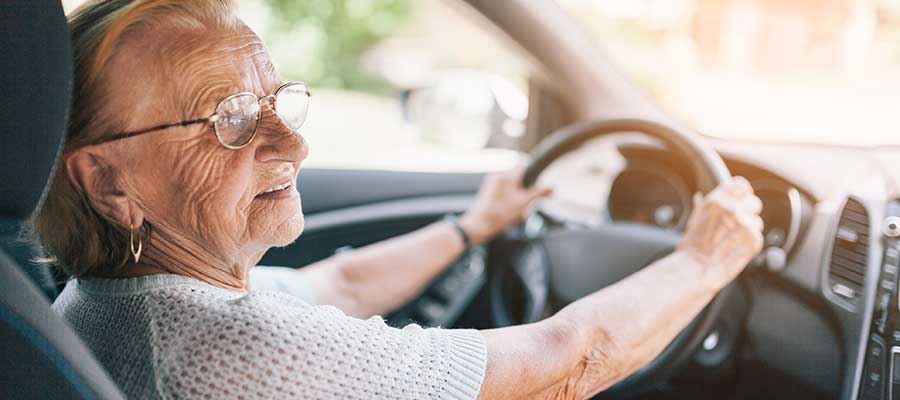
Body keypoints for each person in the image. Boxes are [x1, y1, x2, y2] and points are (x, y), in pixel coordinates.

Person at [35, 1, 764, 399]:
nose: (292, 145)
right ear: (107, 183)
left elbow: (339, 283)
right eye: (226, 118)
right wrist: (704, 259)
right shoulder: (225, 348)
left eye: (278, 102)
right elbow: (564, 362)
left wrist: (473, 226)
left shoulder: (111, 304)